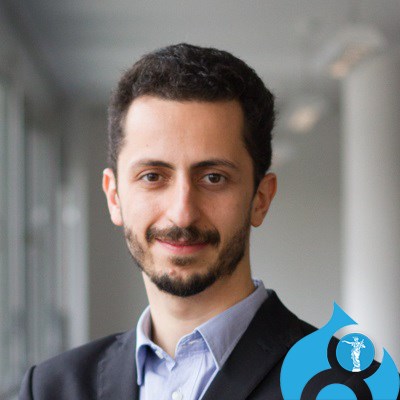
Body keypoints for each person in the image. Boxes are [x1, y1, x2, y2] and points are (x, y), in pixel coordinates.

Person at [19, 43, 372, 400]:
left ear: (261, 199)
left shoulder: (352, 390)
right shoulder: (49, 389)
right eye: (152, 176)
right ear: (114, 197)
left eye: (213, 178)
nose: (182, 213)